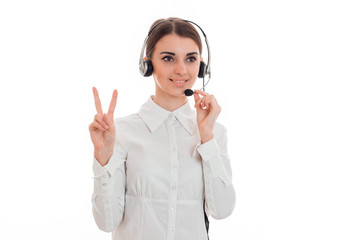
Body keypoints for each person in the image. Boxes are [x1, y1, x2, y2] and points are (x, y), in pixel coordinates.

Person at [89, 17, 236, 240]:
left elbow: (222, 211)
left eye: (190, 59)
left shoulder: (214, 132)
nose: (181, 70)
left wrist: (207, 138)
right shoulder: (120, 132)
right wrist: (103, 157)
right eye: (168, 58)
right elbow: (107, 222)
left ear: (202, 66)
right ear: (147, 65)